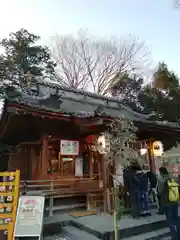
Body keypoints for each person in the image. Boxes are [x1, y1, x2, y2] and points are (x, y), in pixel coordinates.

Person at [157, 167, 180, 240]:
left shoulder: (162, 180)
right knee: (176, 219)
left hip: (167, 204)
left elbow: (159, 191)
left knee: (170, 221)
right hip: (175, 202)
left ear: (161, 173)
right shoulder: (173, 179)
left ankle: (174, 237)